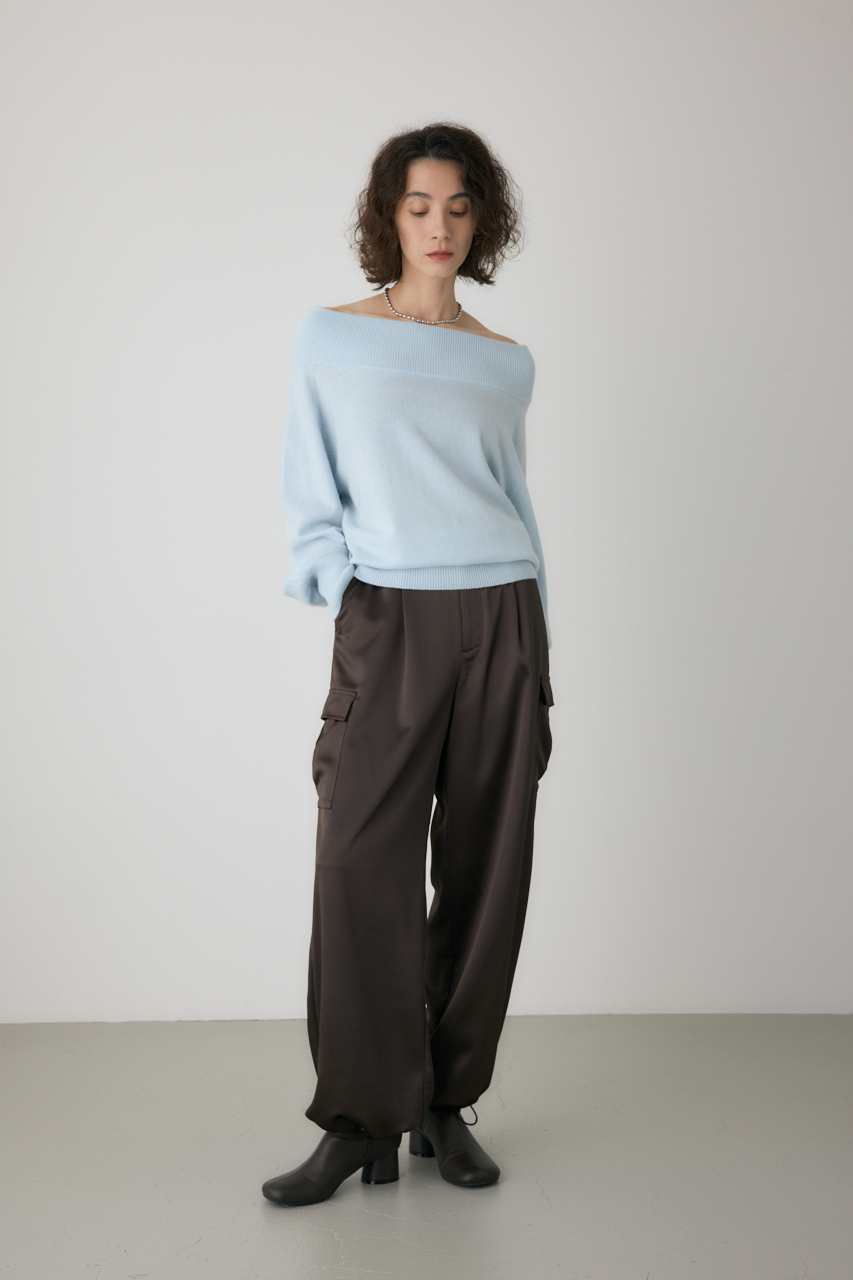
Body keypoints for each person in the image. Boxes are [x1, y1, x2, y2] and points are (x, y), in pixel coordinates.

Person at [262, 121, 554, 1207]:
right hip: (387, 614)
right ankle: (358, 1117)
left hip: (501, 611)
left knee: (484, 871)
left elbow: (514, 499)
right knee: (357, 863)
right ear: (389, 214)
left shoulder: (504, 360)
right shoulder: (331, 336)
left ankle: (443, 1103)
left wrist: (536, 643)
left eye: (460, 207)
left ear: (483, 222)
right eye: (420, 205)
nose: (439, 225)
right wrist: (345, 588)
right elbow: (310, 483)